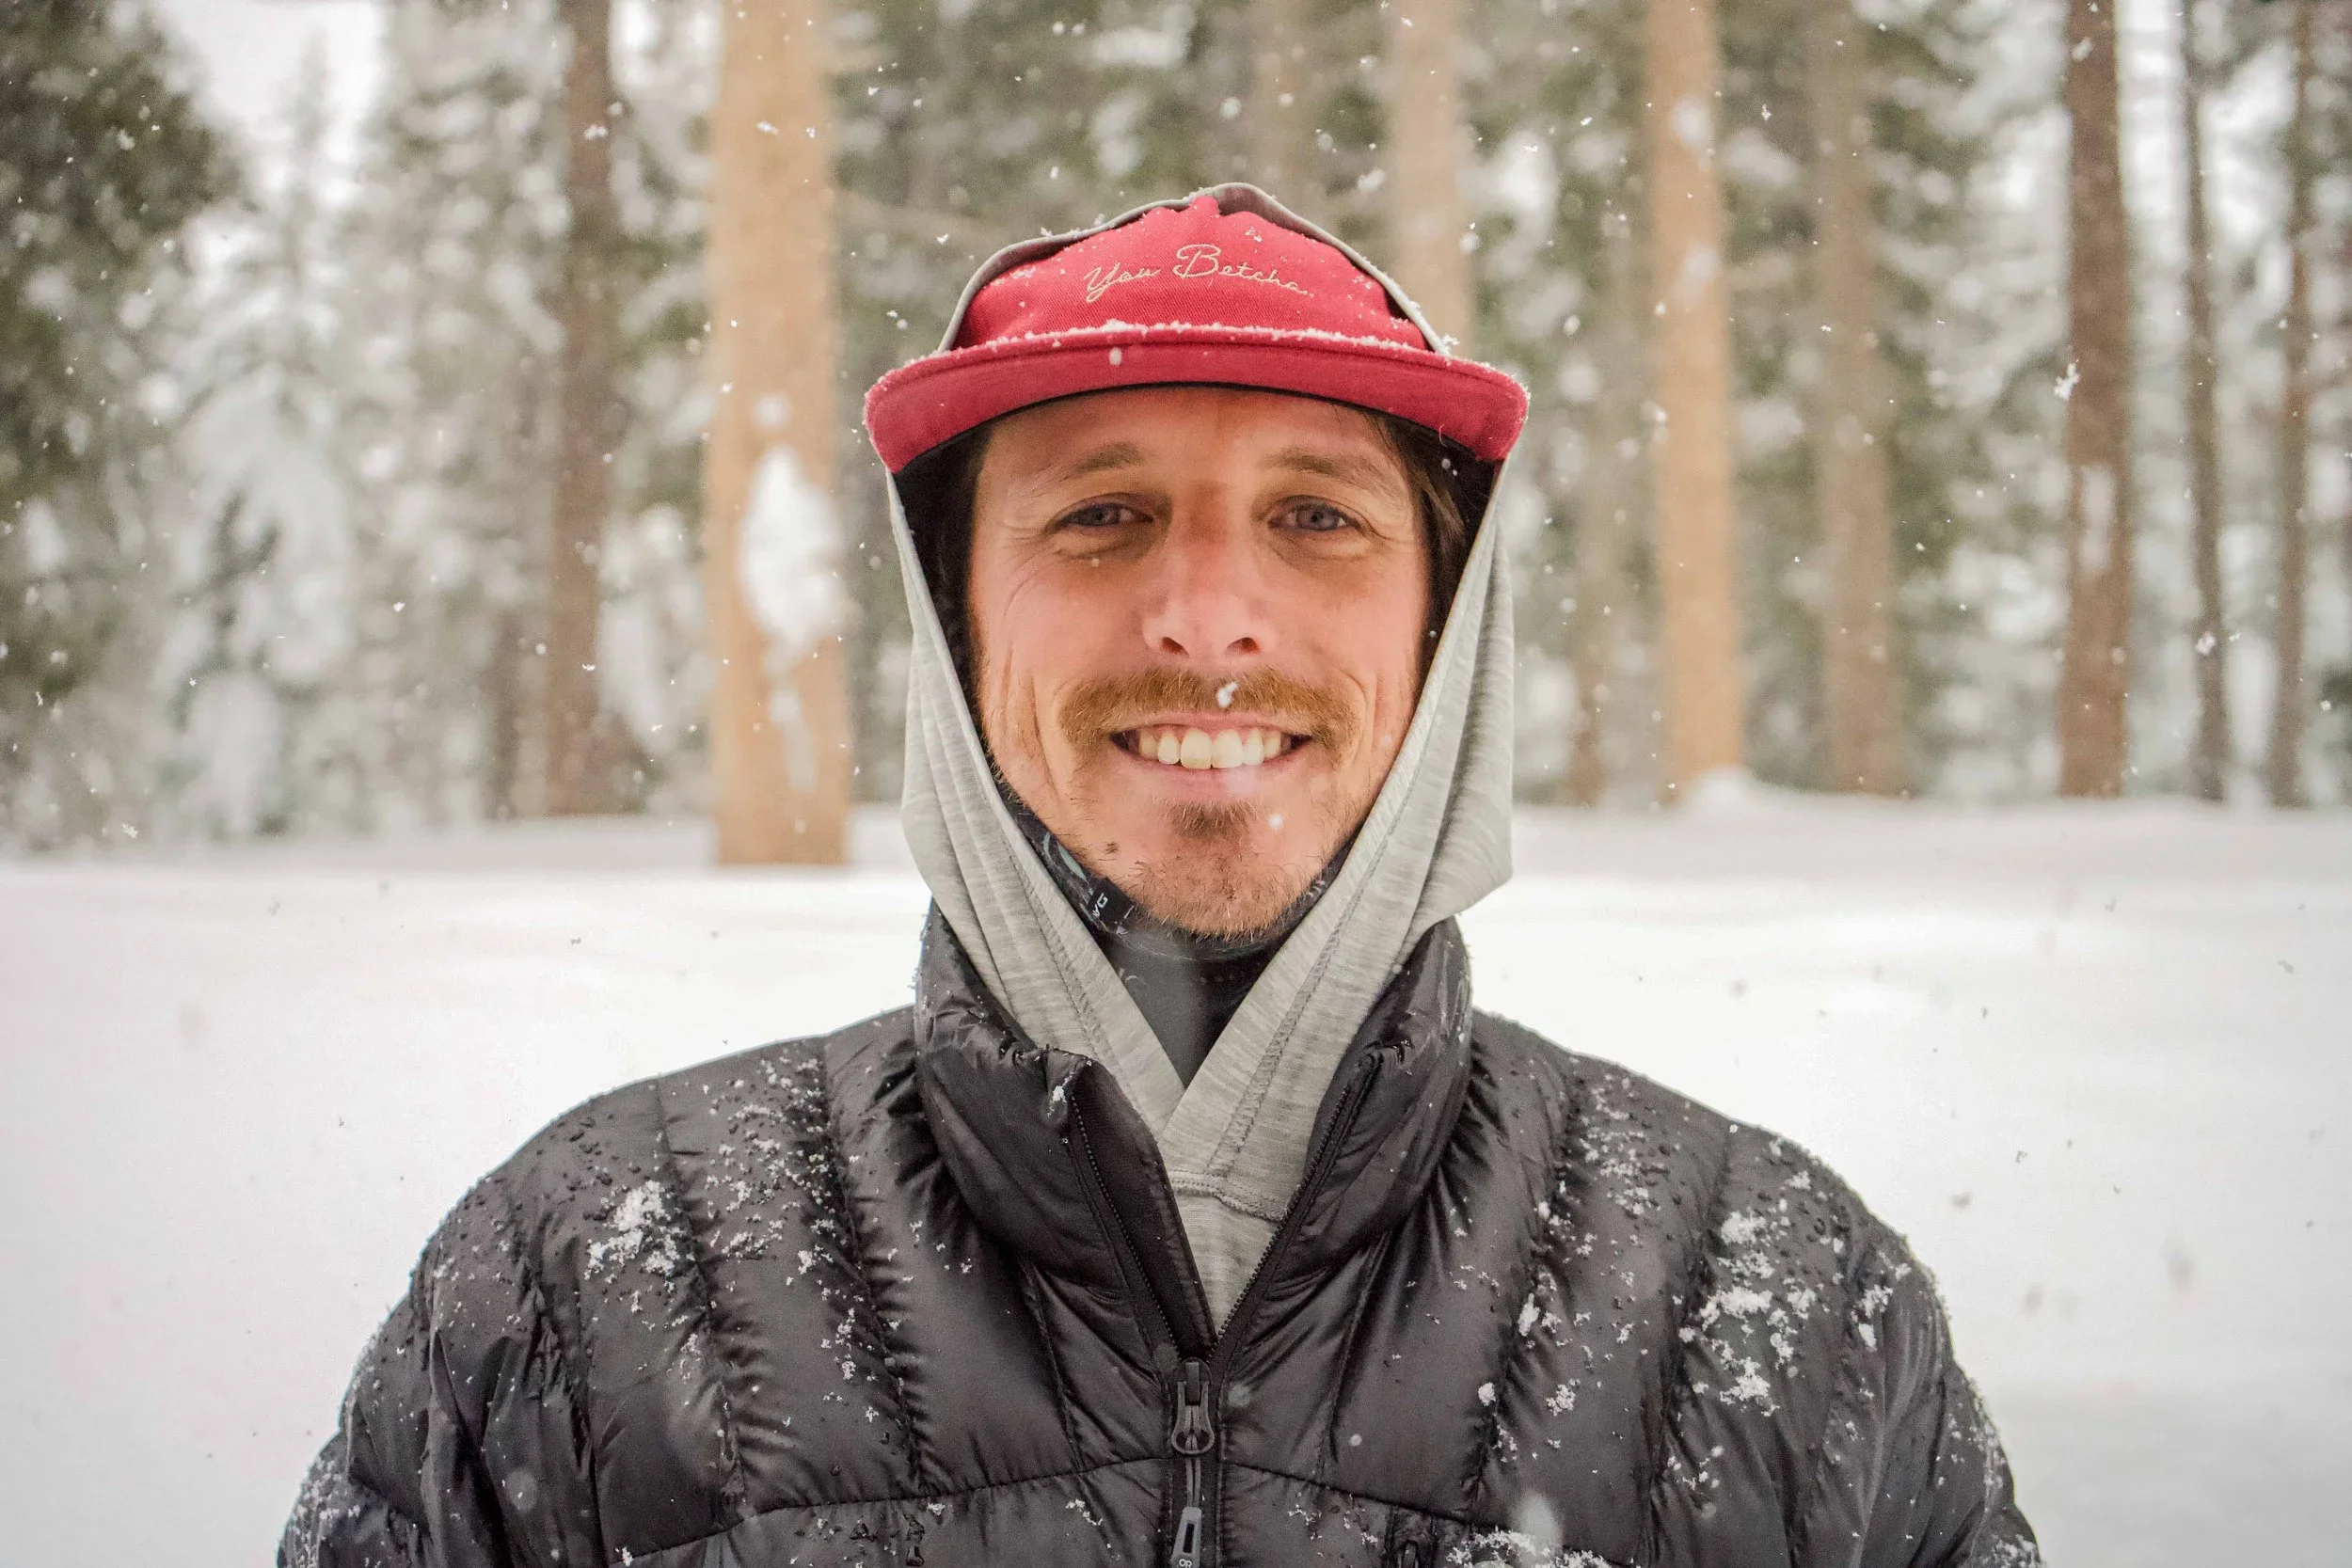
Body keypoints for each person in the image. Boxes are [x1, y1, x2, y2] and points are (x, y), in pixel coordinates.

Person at [282, 188, 2036, 1568]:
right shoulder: (581, 1278)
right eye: (1102, 515)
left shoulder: (1783, 1304)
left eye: (1319, 516)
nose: (1207, 614)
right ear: (958, 627)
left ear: (1446, 634)